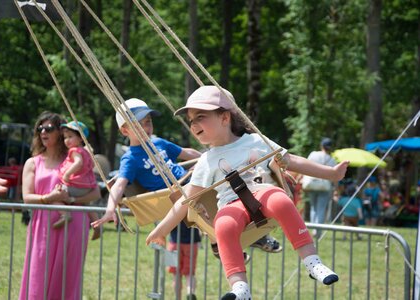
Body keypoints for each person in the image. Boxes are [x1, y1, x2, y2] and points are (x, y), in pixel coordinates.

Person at [146, 86, 349, 299]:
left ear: (225, 117)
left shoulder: (256, 141)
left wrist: (331, 174)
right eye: (191, 120)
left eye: (200, 117)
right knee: (222, 225)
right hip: (231, 205)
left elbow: (293, 161)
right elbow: (186, 201)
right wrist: (161, 229)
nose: (194, 124)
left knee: (280, 201)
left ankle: (312, 262)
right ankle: (240, 288)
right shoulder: (206, 161)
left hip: (261, 191)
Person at [91, 98, 203, 299]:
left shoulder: (159, 142)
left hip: (188, 181)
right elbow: (119, 185)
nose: (146, 127)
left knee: (219, 171)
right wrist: (110, 209)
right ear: (125, 131)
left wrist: (206, 157)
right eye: (139, 124)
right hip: (174, 194)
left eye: (148, 122)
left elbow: (187, 153)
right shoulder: (131, 158)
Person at [19, 111, 101, 300]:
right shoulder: (33, 162)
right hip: (43, 226)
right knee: (38, 274)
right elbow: (26, 197)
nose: (43, 132)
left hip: (73, 225)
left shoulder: (75, 159)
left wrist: (71, 201)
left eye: (48, 128)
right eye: (40, 128)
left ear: (61, 132)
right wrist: (49, 198)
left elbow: (95, 193)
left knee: (68, 278)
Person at [55, 120, 101, 240]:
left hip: (74, 186)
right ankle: (97, 225)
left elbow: (78, 163)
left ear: (81, 138)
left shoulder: (75, 151)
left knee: (55, 196)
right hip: (86, 188)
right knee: (87, 205)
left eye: (70, 137)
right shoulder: (86, 152)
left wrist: (67, 174)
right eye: (65, 137)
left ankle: (65, 215)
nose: (67, 140)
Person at [302, 138, 337, 236]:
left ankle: (313, 229)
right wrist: (336, 189)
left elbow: (306, 166)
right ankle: (318, 231)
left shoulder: (313, 154)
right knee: (321, 208)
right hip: (325, 186)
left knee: (313, 207)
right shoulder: (332, 160)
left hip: (312, 183)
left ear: (321, 145)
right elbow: (334, 175)